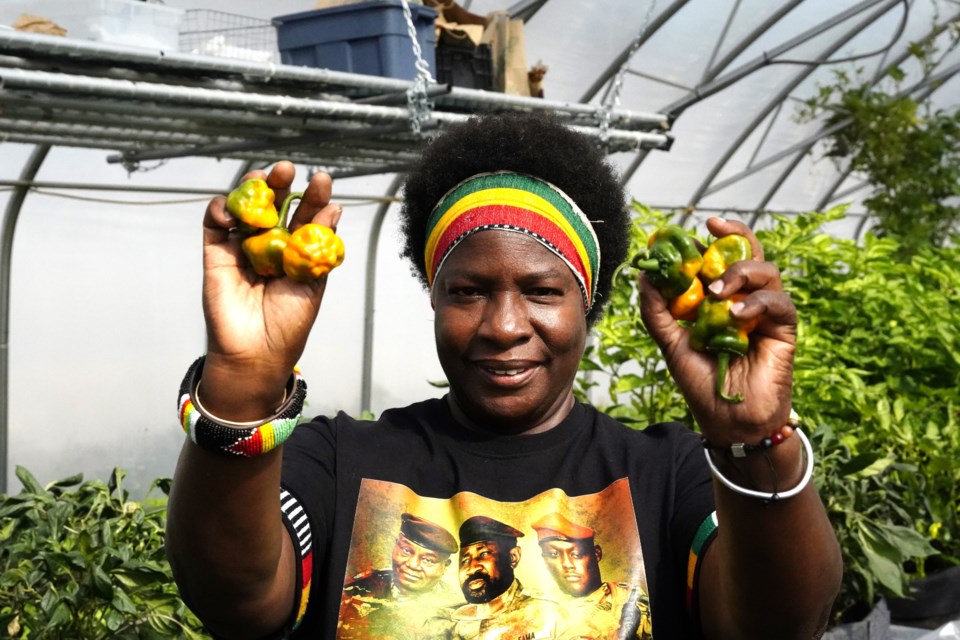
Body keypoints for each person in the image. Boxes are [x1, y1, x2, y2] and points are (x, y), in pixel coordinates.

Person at [165, 111, 843, 640]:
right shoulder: (343, 461)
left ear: (587, 307)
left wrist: (755, 440)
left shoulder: (668, 475)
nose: (504, 325)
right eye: (468, 292)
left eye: (543, 292)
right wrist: (245, 382)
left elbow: (780, 626)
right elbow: (239, 601)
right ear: (434, 298)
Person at [435, 515, 562, 639]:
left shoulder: (547, 614)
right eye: (465, 560)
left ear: (513, 557)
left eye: (484, 554)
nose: (472, 567)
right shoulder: (446, 623)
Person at [531, 512, 652, 640]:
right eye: (554, 554)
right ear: (544, 560)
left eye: (577, 554)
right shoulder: (535, 607)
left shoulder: (625, 598)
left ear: (596, 554)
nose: (567, 564)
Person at [337, 513, 460, 638]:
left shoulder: (456, 608)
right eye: (406, 550)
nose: (412, 564)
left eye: (428, 560)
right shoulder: (355, 590)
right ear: (395, 545)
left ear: (446, 566)